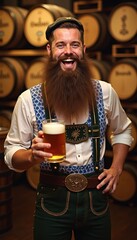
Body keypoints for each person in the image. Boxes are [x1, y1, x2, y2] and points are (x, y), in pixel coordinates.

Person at [4, 17, 132, 240]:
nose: (68, 51)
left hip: (96, 200)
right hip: (52, 200)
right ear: (49, 50)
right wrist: (31, 156)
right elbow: (11, 154)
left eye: (74, 44)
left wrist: (117, 168)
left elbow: (123, 130)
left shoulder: (105, 92)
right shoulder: (28, 99)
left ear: (83, 49)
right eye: (60, 45)